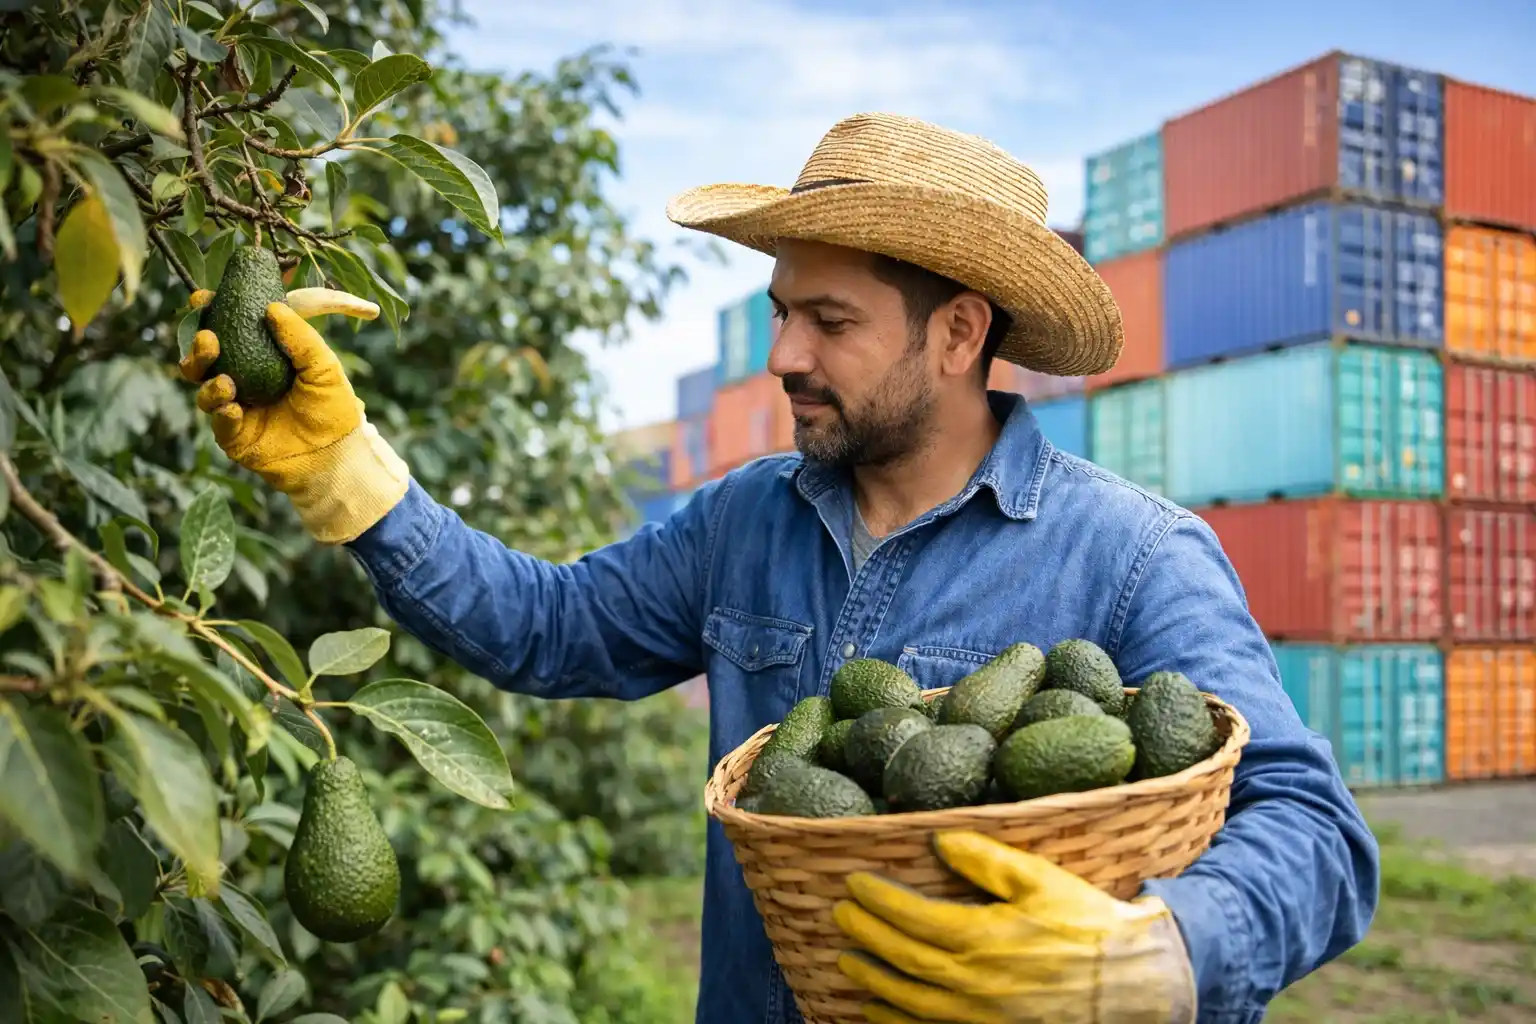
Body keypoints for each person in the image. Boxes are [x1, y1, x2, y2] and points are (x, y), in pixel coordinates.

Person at [180, 113, 1380, 1024]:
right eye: (779, 310)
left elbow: (1317, 833)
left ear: (959, 333)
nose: (783, 354)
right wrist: (348, 471)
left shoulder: (1132, 555)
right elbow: (543, 629)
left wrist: (1161, 951)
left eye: (831, 321)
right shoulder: (742, 520)